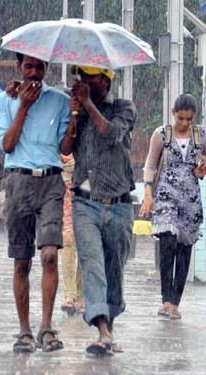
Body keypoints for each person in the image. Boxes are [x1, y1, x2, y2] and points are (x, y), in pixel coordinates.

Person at [0, 53, 73, 353]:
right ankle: (24, 329)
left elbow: (66, 147)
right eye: (28, 66)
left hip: (52, 179)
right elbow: (8, 144)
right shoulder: (4, 101)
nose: (35, 73)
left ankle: (46, 326)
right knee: (22, 260)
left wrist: (75, 115)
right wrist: (23, 106)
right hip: (18, 181)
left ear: (47, 68)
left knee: (50, 255)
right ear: (19, 67)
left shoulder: (60, 100)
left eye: (40, 66)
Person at [67, 65, 136, 356]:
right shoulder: (76, 108)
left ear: (105, 80)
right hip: (84, 203)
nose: (82, 81)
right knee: (92, 265)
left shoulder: (123, 107)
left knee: (114, 271)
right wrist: (74, 115)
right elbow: (67, 147)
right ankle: (101, 331)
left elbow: (110, 134)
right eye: (79, 76)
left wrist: (90, 106)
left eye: (89, 76)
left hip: (119, 205)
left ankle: (109, 328)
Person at [139, 94, 206, 320]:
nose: (185, 123)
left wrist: (202, 168)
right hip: (166, 195)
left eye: (189, 119)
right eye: (181, 118)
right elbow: (150, 164)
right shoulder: (161, 134)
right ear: (173, 113)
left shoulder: (200, 135)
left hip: (190, 197)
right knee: (168, 241)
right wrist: (148, 192)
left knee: (184, 248)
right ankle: (165, 298)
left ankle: (176, 303)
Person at [59, 153, 84, 316]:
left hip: (85, 201)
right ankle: (70, 295)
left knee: (85, 249)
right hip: (64, 204)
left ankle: (81, 296)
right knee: (67, 247)